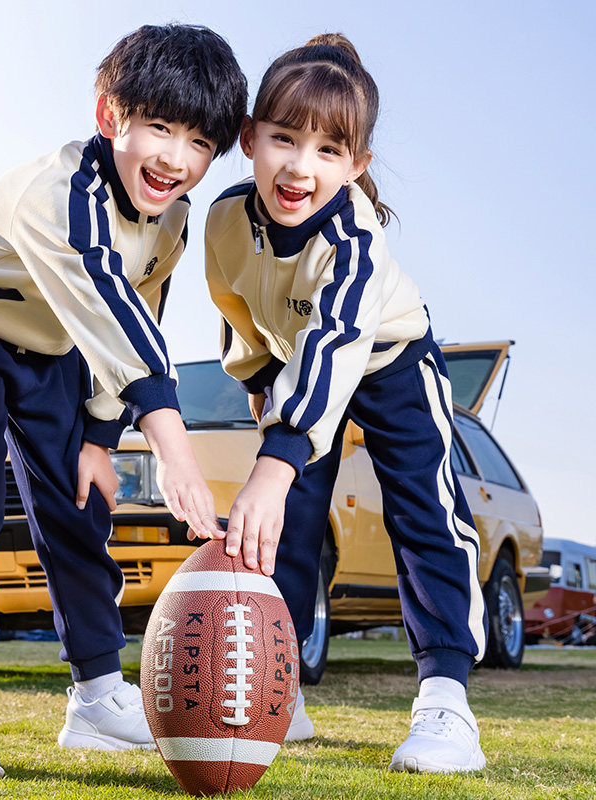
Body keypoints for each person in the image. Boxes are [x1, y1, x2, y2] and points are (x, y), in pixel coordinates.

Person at [0, 24, 246, 778]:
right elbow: (107, 306)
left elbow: (140, 309)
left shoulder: (174, 219)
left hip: (56, 346)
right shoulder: (57, 190)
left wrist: (100, 434)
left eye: (198, 141)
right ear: (109, 117)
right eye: (158, 127)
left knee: (81, 505)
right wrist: (174, 446)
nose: (175, 159)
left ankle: (95, 695)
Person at [204, 33, 487, 773]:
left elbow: (337, 343)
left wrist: (280, 455)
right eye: (284, 139)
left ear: (357, 166)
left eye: (330, 150)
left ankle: (446, 701)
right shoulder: (225, 220)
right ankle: (281, 688)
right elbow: (237, 309)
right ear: (249, 139)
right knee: (287, 524)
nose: (301, 166)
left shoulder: (356, 234)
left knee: (424, 512)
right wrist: (264, 388)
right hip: (301, 367)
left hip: (390, 359)